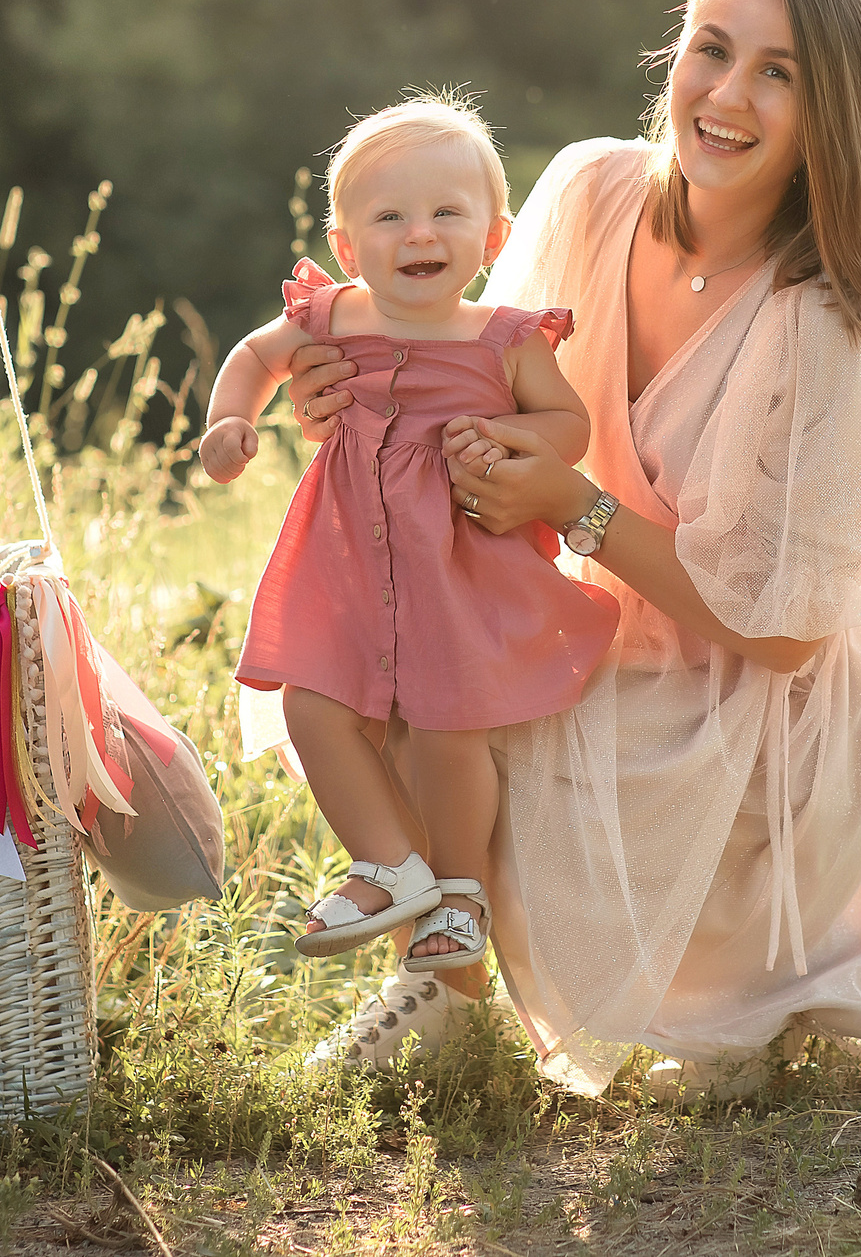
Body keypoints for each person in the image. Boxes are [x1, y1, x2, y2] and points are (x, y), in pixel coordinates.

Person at [279, 0, 861, 1099]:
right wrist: (345, 395)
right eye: (711, 49)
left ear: (835, 114)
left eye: (778, 74)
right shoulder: (594, 191)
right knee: (371, 668)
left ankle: (732, 989)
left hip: (769, 719)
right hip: (610, 629)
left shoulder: (834, 320)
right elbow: (468, 380)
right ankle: (444, 996)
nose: (725, 96)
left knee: (473, 736)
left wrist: (575, 508)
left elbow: (785, 636)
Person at [200, 100, 618, 982]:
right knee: (311, 704)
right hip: (347, 567)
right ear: (348, 247)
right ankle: (389, 863)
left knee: (446, 729)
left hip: (457, 568)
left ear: (493, 237)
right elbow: (253, 357)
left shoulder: (505, 338)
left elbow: (569, 425)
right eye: (389, 216)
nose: (419, 232)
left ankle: (461, 891)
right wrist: (230, 421)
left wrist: (508, 437)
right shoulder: (330, 315)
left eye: (446, 213)